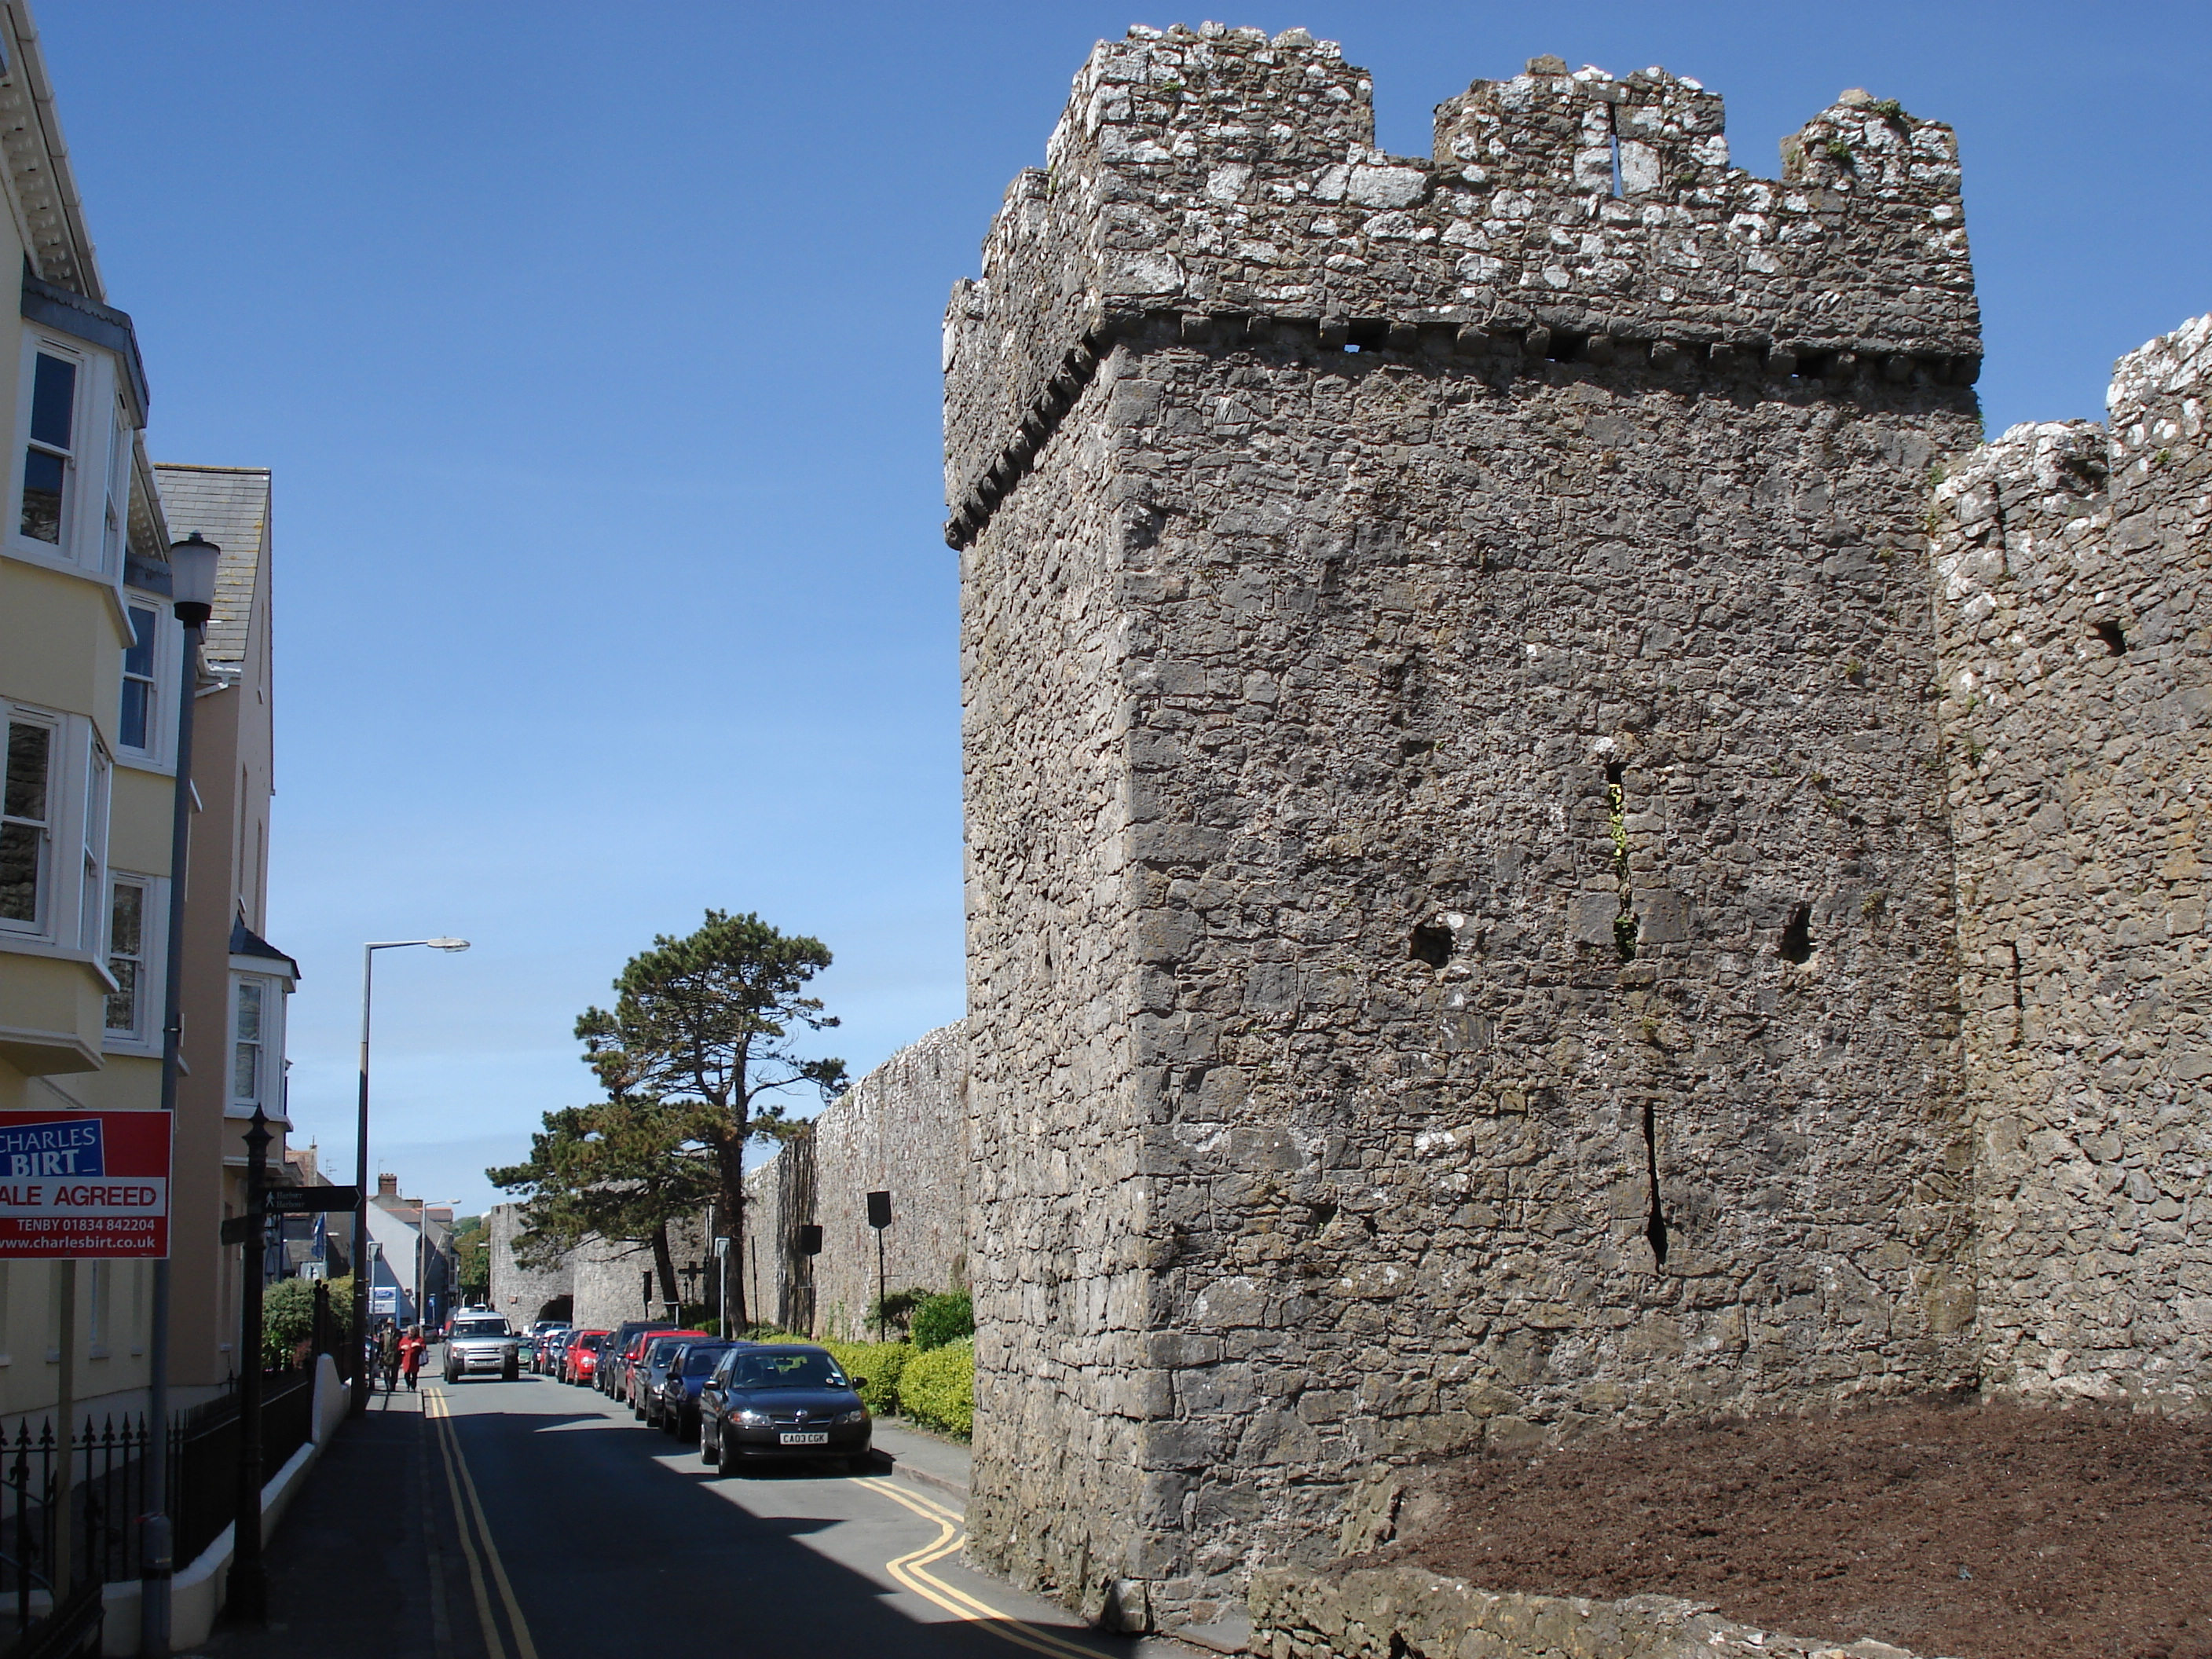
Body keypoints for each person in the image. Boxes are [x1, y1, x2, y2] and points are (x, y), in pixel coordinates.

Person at [400, 1324, 426, 1391]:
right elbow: (399, 1347)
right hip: (406, 1360)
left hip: (415, 1360)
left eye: (412, 1331)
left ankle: (413, 1387)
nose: (411, 1333)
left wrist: (419, 1345)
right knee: (406, 1374)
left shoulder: (419, 1339)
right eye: (410, 1331)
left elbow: (424, 1347)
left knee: (414, 1375)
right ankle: (408, 1386)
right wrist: (402, 1347)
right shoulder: (404, 1339)